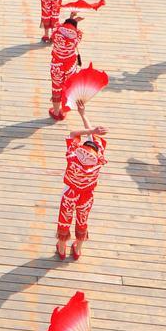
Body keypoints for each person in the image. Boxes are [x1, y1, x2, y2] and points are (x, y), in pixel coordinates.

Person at [56, 101, 107, 260]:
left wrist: (90, 128)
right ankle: (78, 248)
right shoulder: (99, 160)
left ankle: (62, 247)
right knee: (82, 219)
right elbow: (95, 138)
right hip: (86, 196)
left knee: (65, 217)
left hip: (70, 193)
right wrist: (84, 115)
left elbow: (72, 134)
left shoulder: (73, 157)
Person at [49, 14, 83, 121]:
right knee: (68, 87)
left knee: (56, 88)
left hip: (57, 66)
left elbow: (60, 27)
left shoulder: (55, 34)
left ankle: (55, 111)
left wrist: (71, 18)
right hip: (70, 66)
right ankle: (63, 111)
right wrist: (74, 21)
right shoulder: (76, 38)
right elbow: (73, 32)